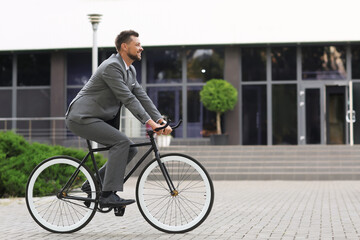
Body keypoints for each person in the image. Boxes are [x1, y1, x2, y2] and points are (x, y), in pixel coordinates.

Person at [65, 30, 172, 208]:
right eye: (137, 44)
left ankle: (94, 184)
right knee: (122, 143)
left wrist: (160, 119)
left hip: (96, 118)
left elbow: (141, 96)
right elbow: (128, 99)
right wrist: (150, 124)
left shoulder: (129, 71)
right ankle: (107, 195)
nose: (141, 48)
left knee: (130, 149)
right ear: (124, 46)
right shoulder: (111, 67)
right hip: (81, 117)